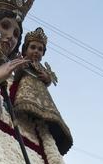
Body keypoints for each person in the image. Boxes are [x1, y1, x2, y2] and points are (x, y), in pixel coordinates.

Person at [11, 26, 73, 155]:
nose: (36, 51)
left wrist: (47, 78)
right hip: (26, 92)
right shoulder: (22, 61)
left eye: (40, 49)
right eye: (33, 47)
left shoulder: (41, 67)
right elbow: (15, 78)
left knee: (46, 118)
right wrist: (21, 68)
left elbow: (49, 80)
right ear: (25, 49)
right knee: (25, 112)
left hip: (43, 96)